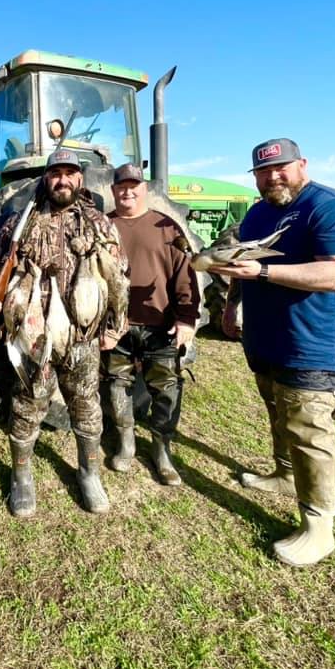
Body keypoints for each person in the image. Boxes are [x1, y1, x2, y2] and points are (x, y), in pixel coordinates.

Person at [214, 138, 335, 567]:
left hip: (310, 344)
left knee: (310, 432)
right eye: (263, 171)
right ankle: (284, 475)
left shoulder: (331, 207)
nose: (272, 176)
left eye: (281, 168)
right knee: (280, 414)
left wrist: (263, 272)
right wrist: (232, 304)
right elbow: (240, 262)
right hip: (265, 339)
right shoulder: (258, 213)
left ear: (302, 165)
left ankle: (319, 526)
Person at [0, 148, 125, 517]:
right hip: (34, 336)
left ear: (80, 179)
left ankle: (89, 473)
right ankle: (21, 477)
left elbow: (117, 277)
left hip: (81, 336)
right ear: (45, 178)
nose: (62, 180)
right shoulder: (19, 224)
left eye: (69, 173)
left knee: (86, 404)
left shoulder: (99, 224)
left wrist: (114, 326)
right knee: (27, 405)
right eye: (55, 173)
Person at [100, 163, 200, 486]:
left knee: (166, 388)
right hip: (116, 326)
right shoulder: (103, 226)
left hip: (161, 326)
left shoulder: (166, 227)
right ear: (113, 190)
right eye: (122, 186)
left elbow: (185, 275)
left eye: (134, 186)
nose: (127, 191)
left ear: (144, 189)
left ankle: (162, 448)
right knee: (116, 384)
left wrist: (186, 318)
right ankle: (126, 441)